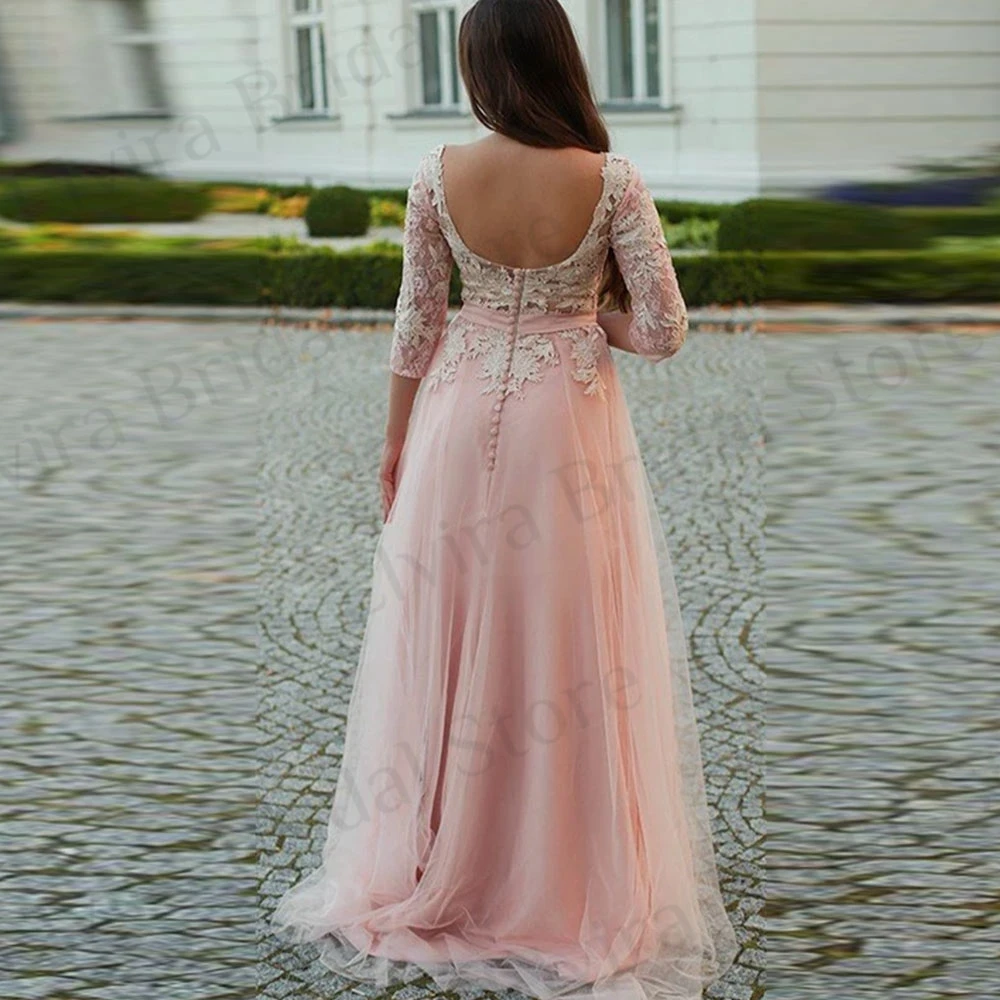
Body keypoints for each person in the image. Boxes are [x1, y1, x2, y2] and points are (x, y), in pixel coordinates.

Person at [271, 1, 738, 997]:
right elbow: (663, 329)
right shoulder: (609, 180)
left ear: (481, 67)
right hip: (563, 432)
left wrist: (394, 445)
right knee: (563, 644)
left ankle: (442, 856)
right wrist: (584, 317)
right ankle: (556, 872)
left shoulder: (439, 174)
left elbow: (414, 324)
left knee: (442, 638)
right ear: (558, 61)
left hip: (451, 419)